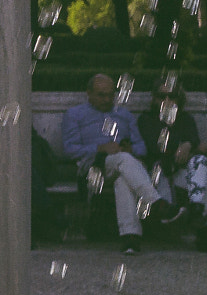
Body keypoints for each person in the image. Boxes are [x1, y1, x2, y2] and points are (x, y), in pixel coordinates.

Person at [60, 73, 175, 255]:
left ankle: (131, 238)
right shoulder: (75, 115)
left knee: (123, 176)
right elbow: (70, 149)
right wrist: (100, 148)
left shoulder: (124, 115)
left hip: (124, 166)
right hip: (93, 168)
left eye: (110, 95)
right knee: (124, 161)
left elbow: (141, 147)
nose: (107, 99)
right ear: (89, 93)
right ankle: (156, 203)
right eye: (101, 95)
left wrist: (131, 150)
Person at [144, 80, 207, 252]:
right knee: (201, 173)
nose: (167, 100)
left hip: (182, 173)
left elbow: (194, 148)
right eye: (162, 96)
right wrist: (188, 145)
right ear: (154, 99)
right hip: (159, 174)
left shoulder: (185, 119)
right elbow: (157, 148)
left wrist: (190, 145)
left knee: (201, 164)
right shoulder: (147, 119)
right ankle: (202, 226)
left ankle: (197, 212)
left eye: (172, 96)